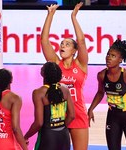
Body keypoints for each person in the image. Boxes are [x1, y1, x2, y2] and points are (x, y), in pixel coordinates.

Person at [41, 2, 89, 150]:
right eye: (62, 43)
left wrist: (73, 17)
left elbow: (81, 41)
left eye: (67, 44)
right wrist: (50, 15)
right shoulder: (55, 63)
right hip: (58, 115)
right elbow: (44, 41)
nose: (62, 46)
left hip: (79, 114)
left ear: (75, 50)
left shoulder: (80, 64)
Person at [88, 38, 126, 150]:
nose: (108, 57)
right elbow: (100, 93)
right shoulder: (101, 75)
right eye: (108, 54)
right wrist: (91, 109)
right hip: (112, 116)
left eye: (113, 56)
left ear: (120, 59)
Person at [24, 61, 75, 150]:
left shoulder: (39, 93)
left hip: (48, 137)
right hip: (64, 136)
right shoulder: (65, 89)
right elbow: (71, 116)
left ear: (43, 73)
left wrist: (26, 136)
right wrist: (60, 127)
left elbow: (39, 123)